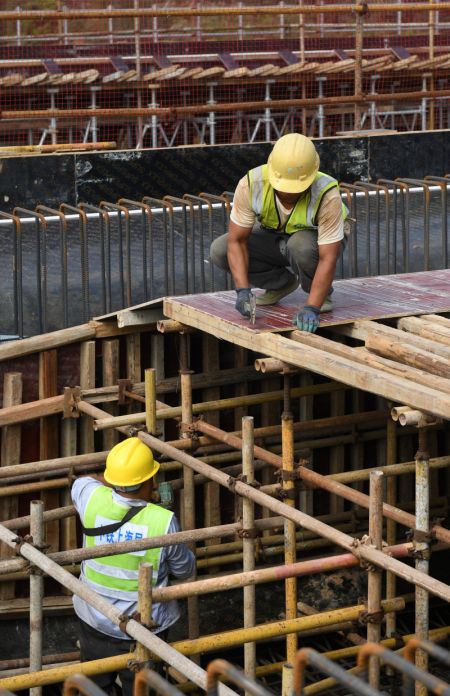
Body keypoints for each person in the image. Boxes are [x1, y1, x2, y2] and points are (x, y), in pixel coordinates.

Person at [71, 437, 195, 696]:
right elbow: (185, 572)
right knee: (141, 690)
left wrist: (115, 483)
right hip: (143, 627)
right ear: (149, 481)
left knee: (93, 688)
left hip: (94, 618)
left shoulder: (91, 498)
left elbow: (82, 482)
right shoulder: (163, 521)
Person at [210, 133, 349, 333]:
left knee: (299, 246)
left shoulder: (326, 194)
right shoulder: (252, 184)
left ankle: (320, 294)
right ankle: (280, 284)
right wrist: (242, 291)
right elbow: (237, 242)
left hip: (315, 241)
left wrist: (312, 308)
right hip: (275, 233)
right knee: (220, 250)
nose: (289, 193)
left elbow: (328, 257)